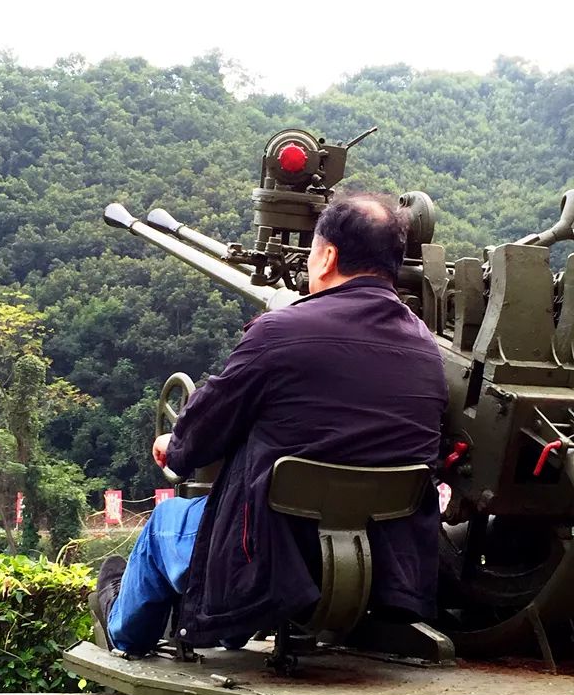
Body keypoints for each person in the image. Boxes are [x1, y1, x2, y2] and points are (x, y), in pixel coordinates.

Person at [97, 194, 448, 656]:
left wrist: (171, 443)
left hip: (267, 562)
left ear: (327, 256)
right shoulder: (428, 352)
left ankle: (120, 626)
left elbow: (193, 444)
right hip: (384, 567)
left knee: (165, 521)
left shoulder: (279, 332)